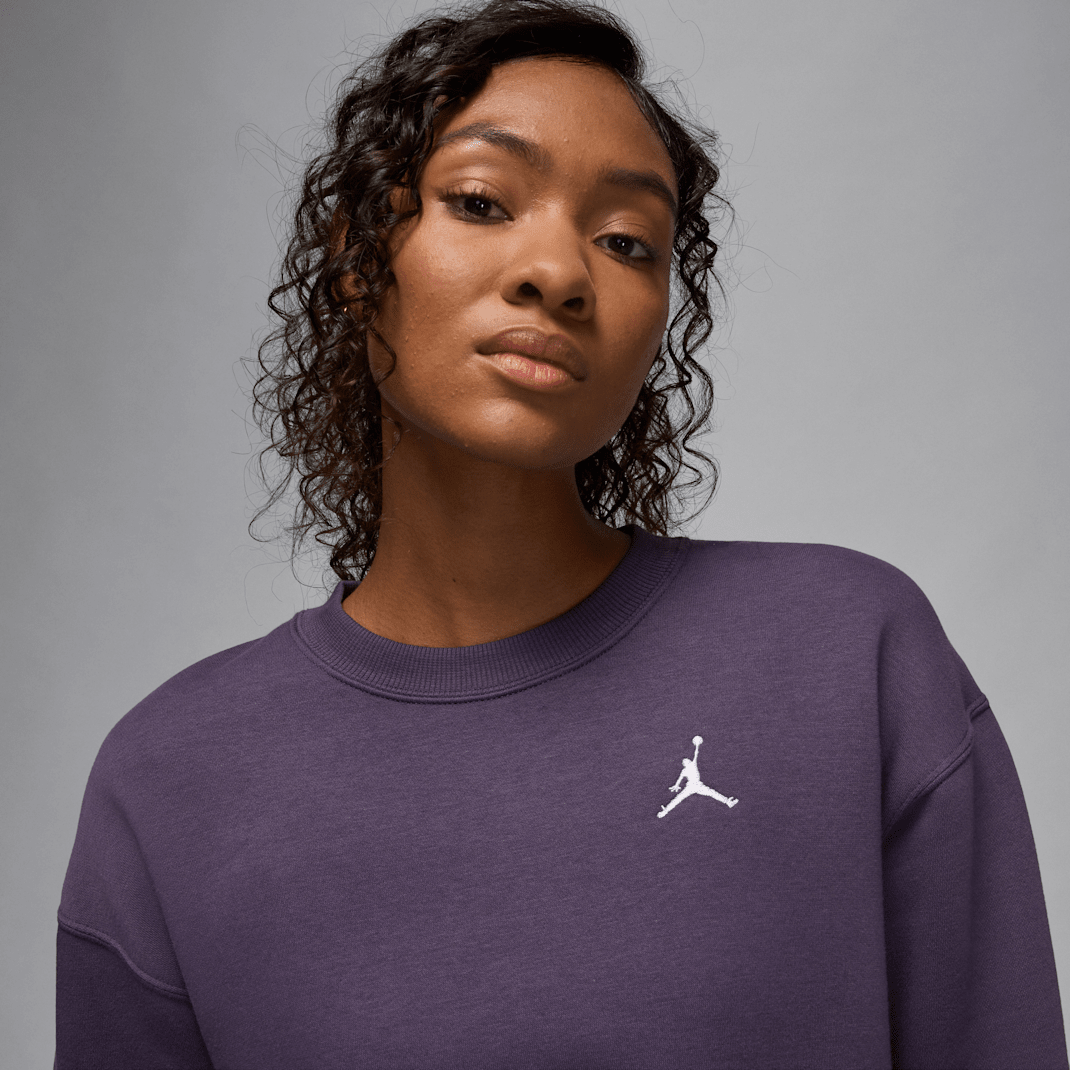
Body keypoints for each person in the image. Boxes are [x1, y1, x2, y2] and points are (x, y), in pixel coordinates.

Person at [55, 0, 1067, 1066]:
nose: (559, 272)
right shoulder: (169, 779)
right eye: (482, 201)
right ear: (356, 261)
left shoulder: (845, 657)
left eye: (626, 241)